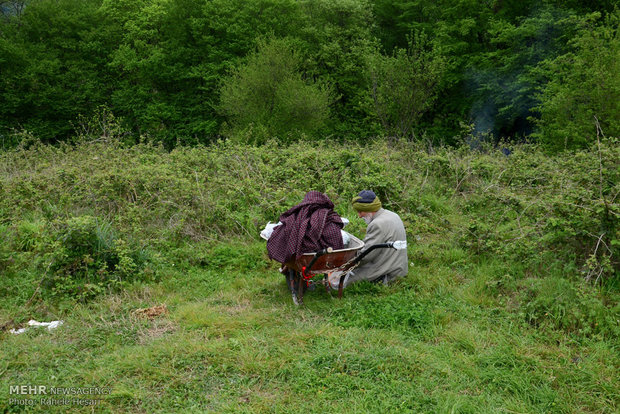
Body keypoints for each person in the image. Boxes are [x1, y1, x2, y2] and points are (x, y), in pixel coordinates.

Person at [331, 190, 408, 288]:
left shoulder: (377, 224)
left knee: (334, 281)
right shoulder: (392, 215)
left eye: (360, 211)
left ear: (369, 209)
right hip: (399, 268)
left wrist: (344, 266)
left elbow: (366, 255)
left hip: (387, 273)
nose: (359, 216)